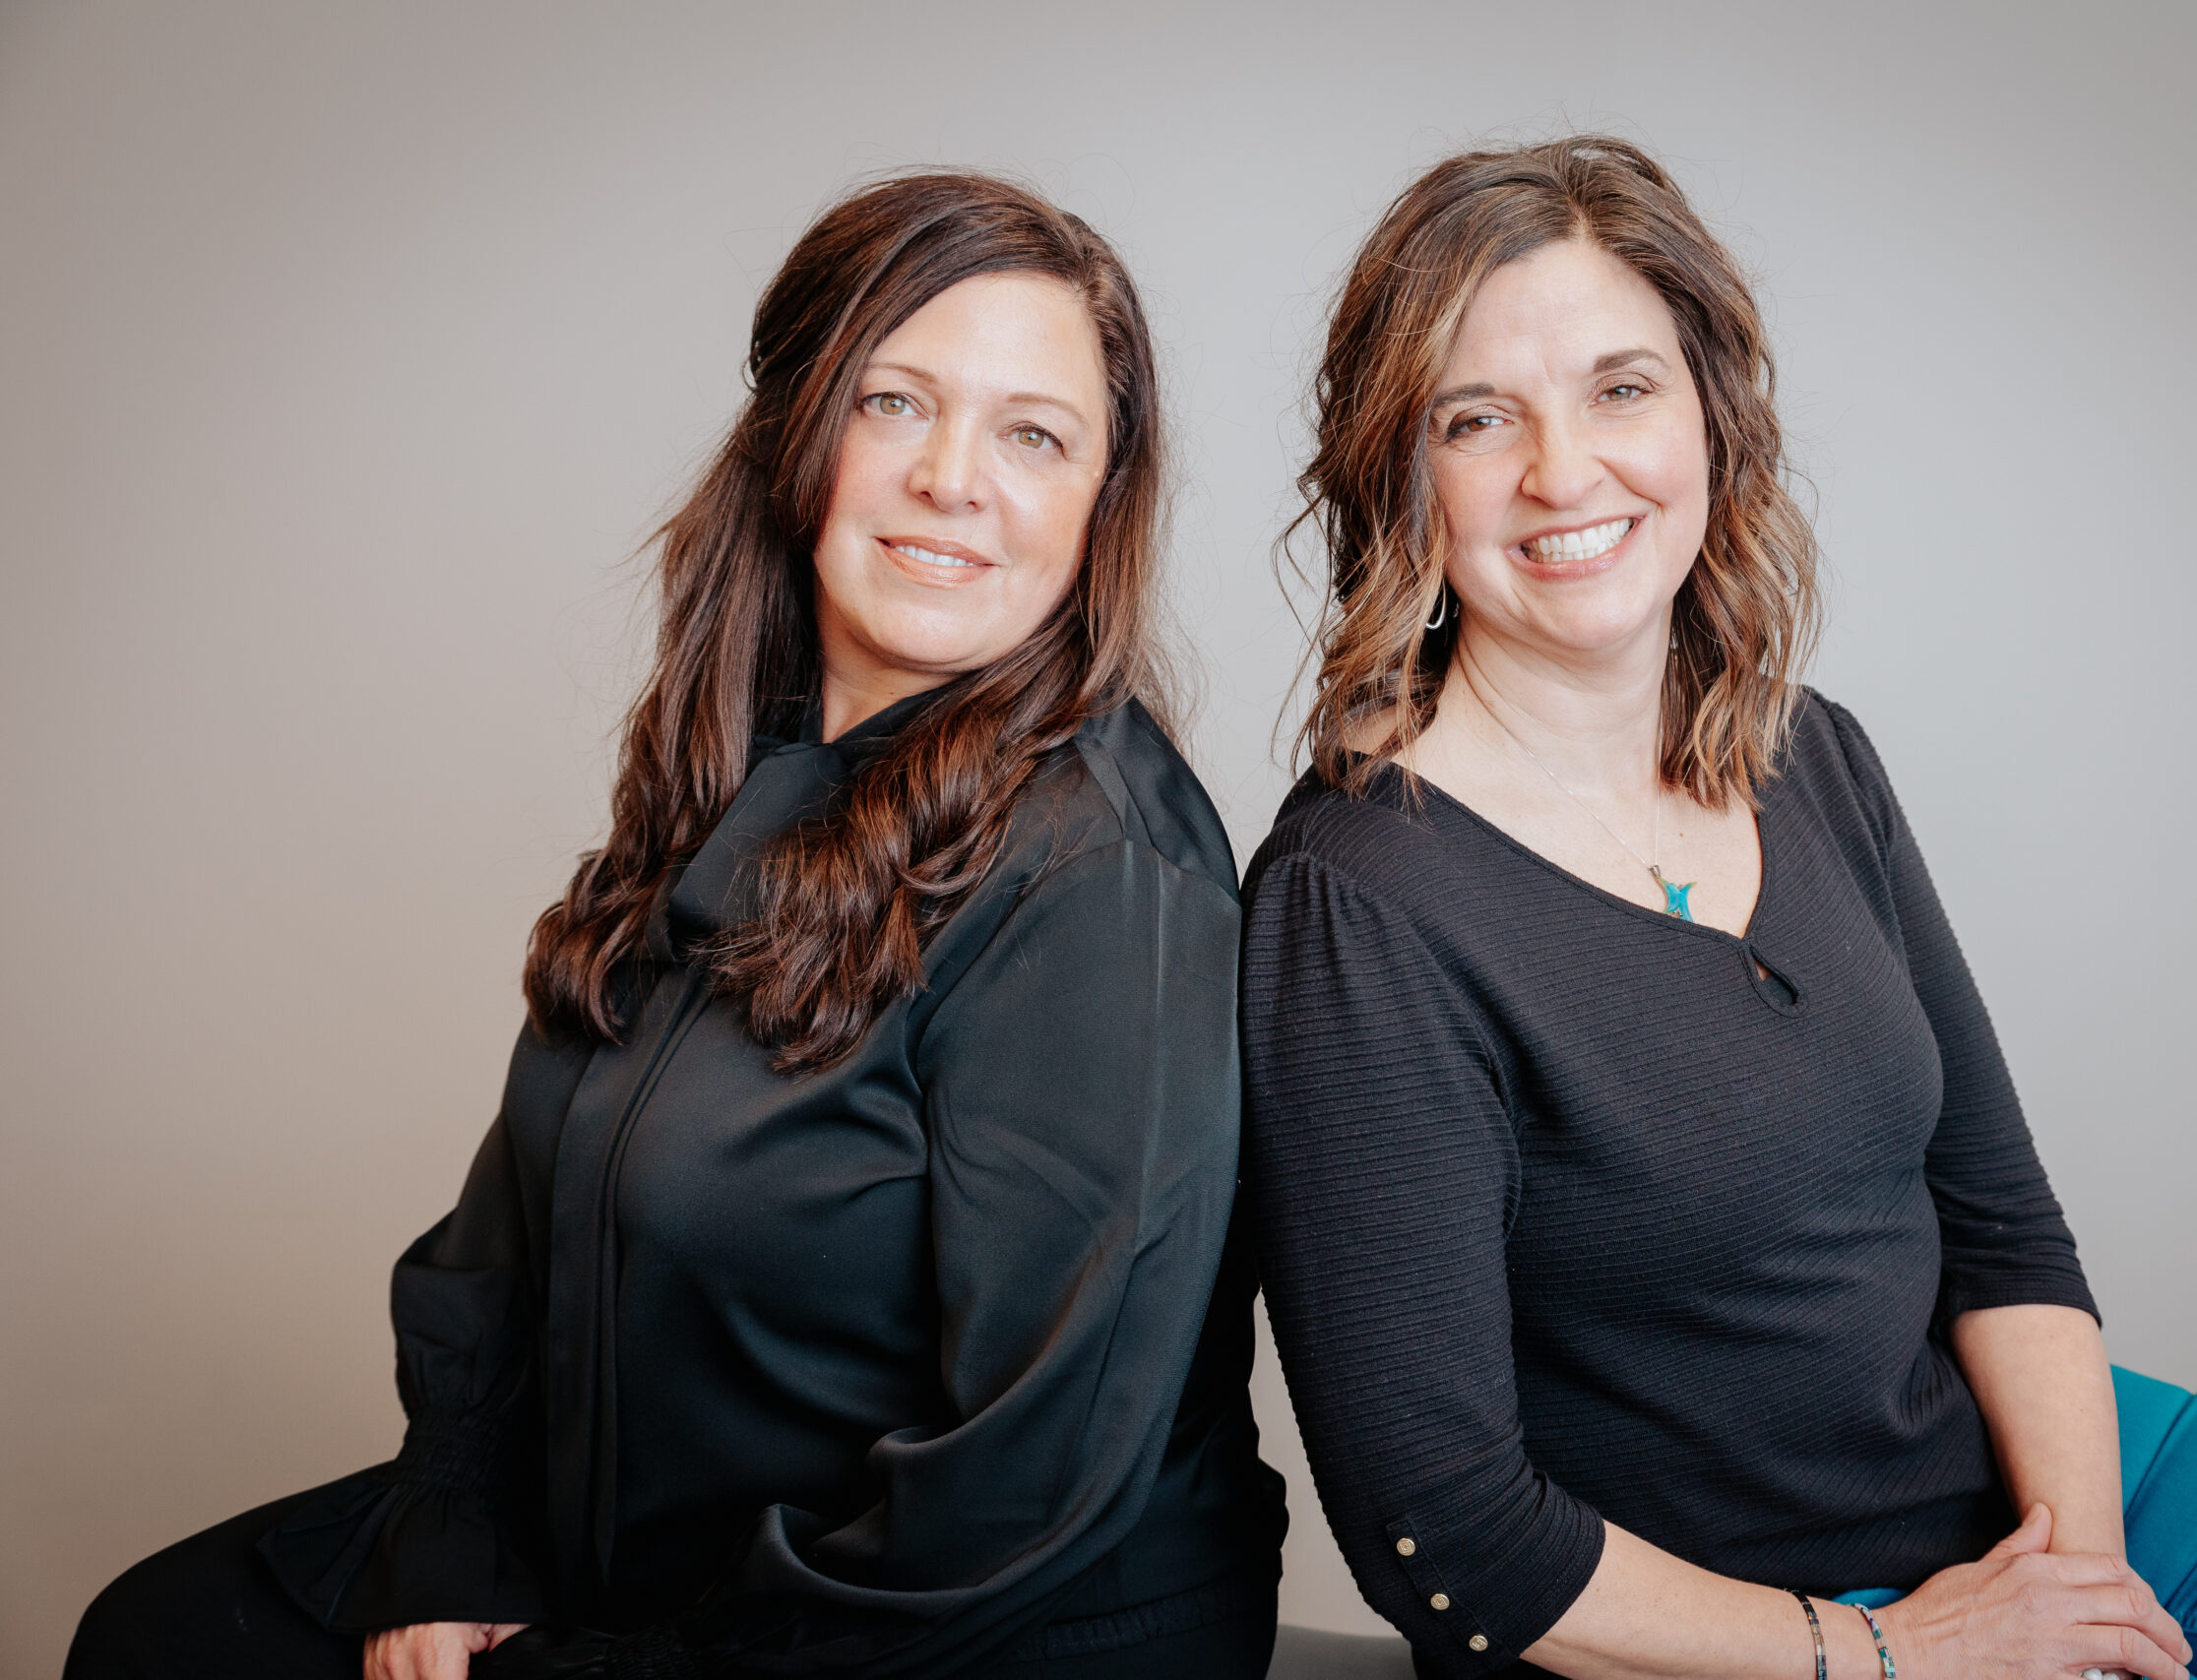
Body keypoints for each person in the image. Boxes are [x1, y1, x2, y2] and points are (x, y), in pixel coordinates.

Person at [1237, 135, 2197, 1680]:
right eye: (1476, 417)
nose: (1564, 472)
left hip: (2039, 1483)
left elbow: (2002, 1230)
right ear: (1401, 475)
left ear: (1711, 415)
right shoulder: (1358, 907)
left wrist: (2076, 1588)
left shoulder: (1808, 752)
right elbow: (1445, 1531)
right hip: (1770, 1625)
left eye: (1621, 389)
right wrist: (1900, 1654)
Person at [68, 171, 1286, 1680]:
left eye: (1033, 435)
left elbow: (1031, 1485)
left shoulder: (1103, 878)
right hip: (651, 1544)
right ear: (798, 429)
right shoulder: (738, 766)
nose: (952, 479)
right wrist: (452, 1531)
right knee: (158, 1638)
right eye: (895, 402)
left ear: (1102, 502)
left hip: (965, 1628)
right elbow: (503, 1239)